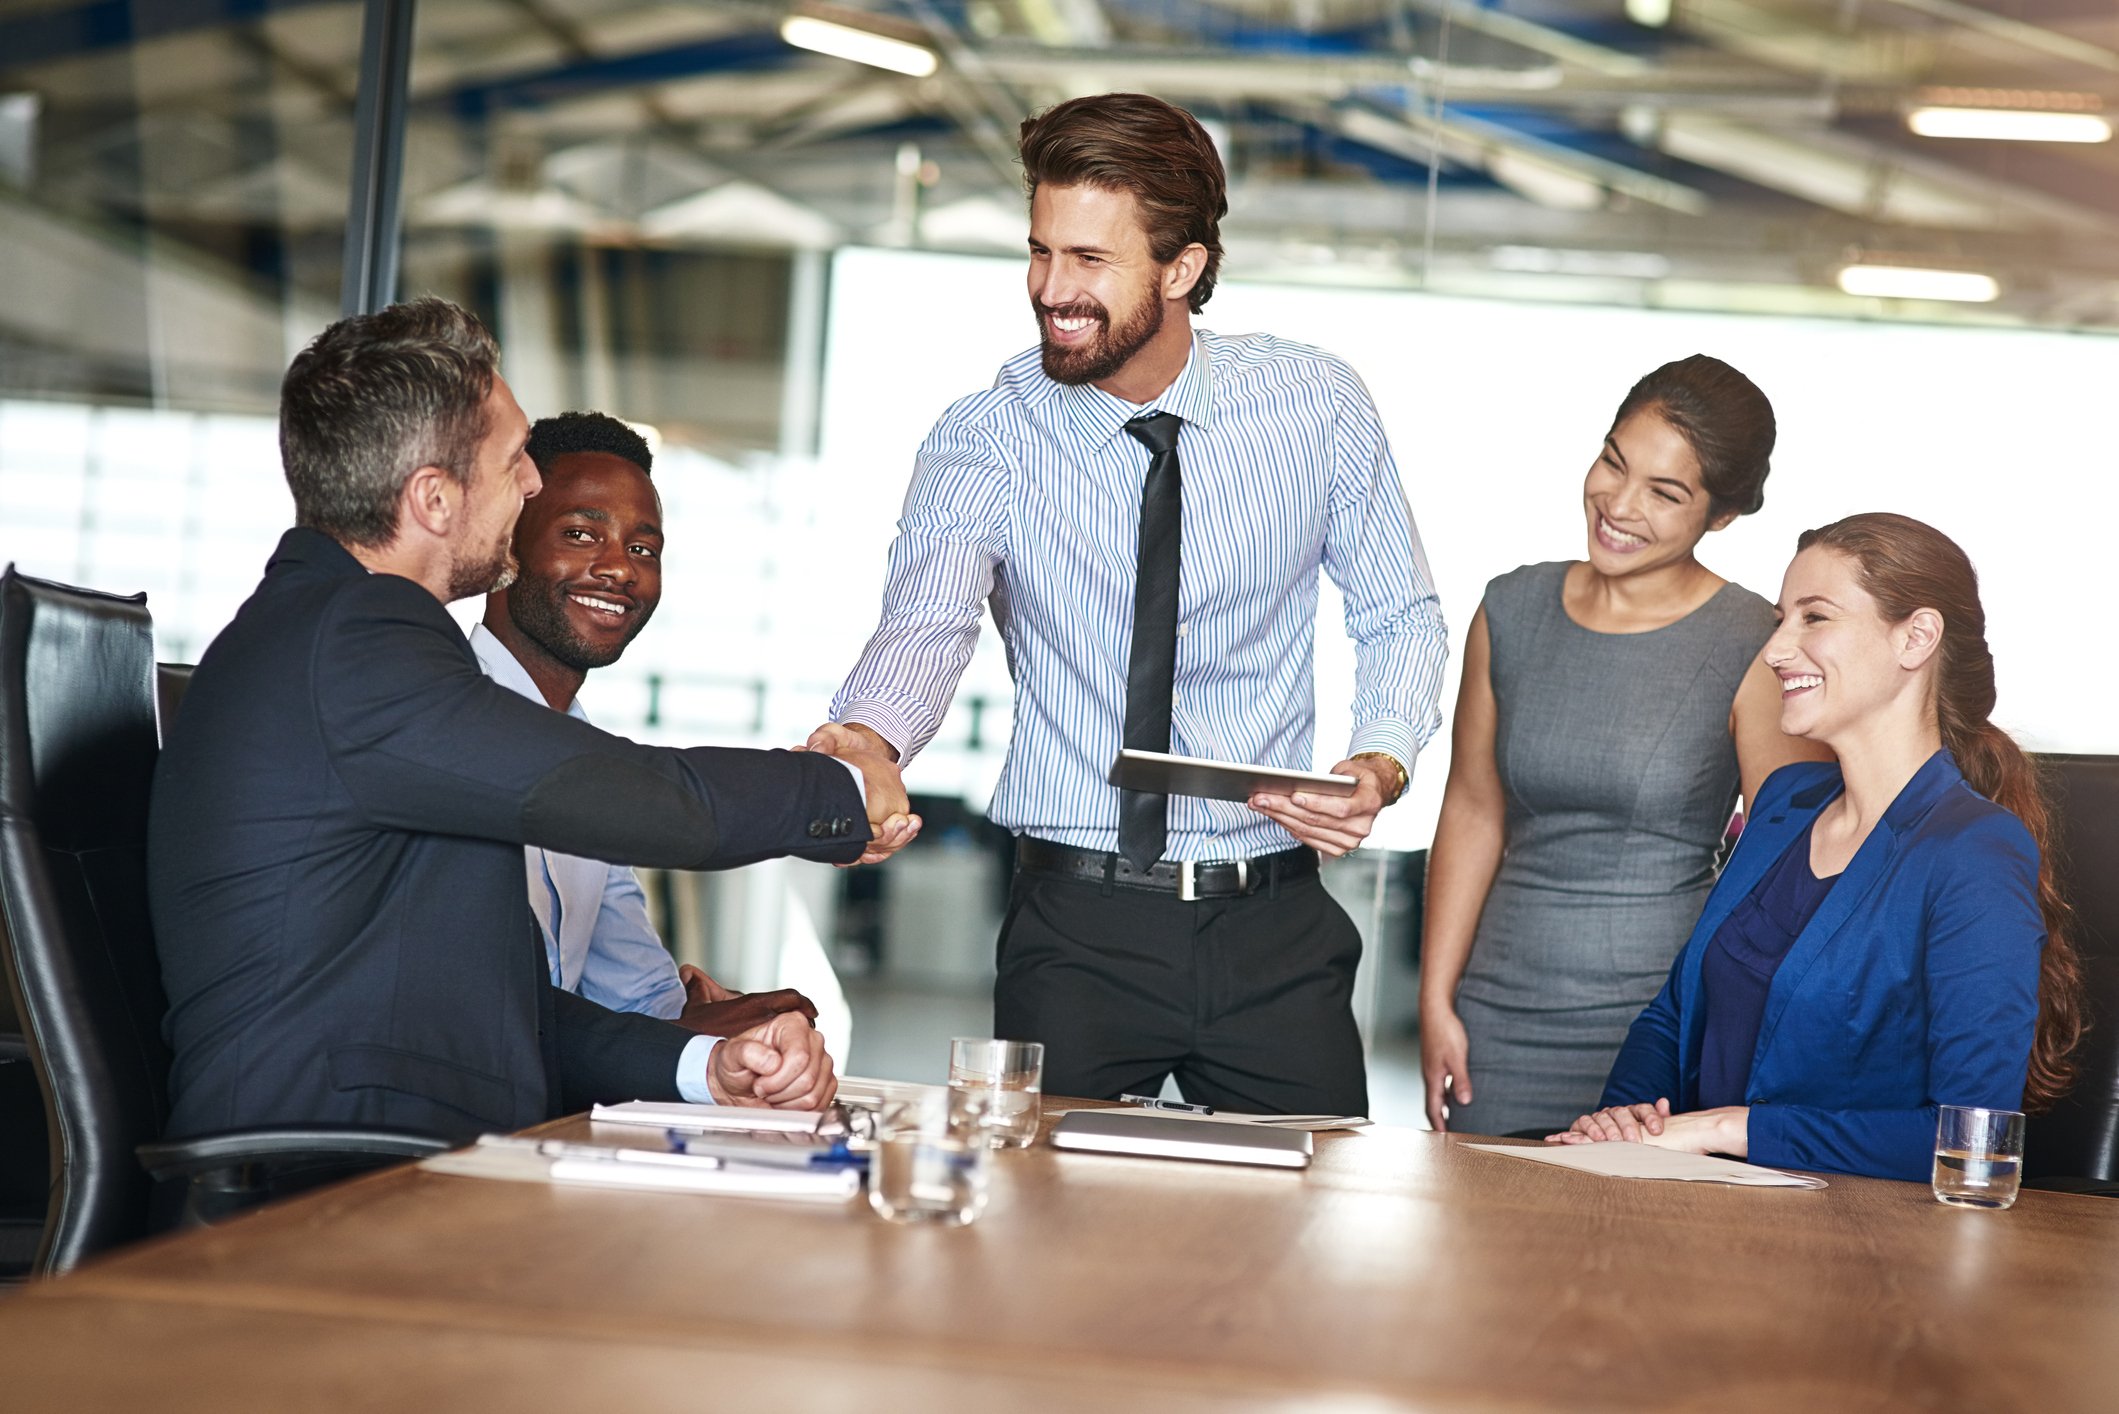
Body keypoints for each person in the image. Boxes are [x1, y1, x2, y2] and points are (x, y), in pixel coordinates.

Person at [810, 92, 1448, 1115]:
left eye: (1089, 262)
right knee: (1039, 1243)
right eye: (1039, 252)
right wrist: (871, 739)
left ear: (1182, 268)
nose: (1051, 291)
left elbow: (1399, 611)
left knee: (1302, 1244)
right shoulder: (987, 435)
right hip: (1076, 929)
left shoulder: (1315, 405)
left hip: (1273, 926)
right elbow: (925, 625)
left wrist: (1378, 759)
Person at [148, 297, 911, 1143]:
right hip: (323, 1184)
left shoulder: (331, 636)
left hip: (383, 1154)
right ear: (434, 499)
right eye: (515, 460)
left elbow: (487, 998)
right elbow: (619, 791)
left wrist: (703, 1067)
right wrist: (838, 787)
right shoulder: (357, 637)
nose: (533, 482)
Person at [1552, 513, 2084, 1180]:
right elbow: (1673, 1014)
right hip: (1690, 1211)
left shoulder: (1972, 850)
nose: (1775, 649)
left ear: (1915, 638)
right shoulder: (1784, 800)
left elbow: (1972, 1139)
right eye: (1780, 619)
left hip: (1856, 1253)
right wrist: (1625, 1126)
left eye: (1813, 618)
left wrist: (1724, 1130)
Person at [1419, 356, 1829, 1138]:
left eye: (1664, 493)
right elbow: (1473, 810)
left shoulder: (1753, 641)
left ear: (1721, 516)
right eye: (1613, 461)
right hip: (1495, 1020)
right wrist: (1435, 999)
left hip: (1655, 1031)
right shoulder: (1510, 608)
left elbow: (1781, 867)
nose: (1618, 503)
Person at [472, 410, 815, 1034]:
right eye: (581, 534)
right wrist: (832, 792)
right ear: (506, 545)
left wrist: (748, 1021)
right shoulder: (449, 718)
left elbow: (637, 1001)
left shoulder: (587, 760)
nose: (620, 569)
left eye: (642, 549)